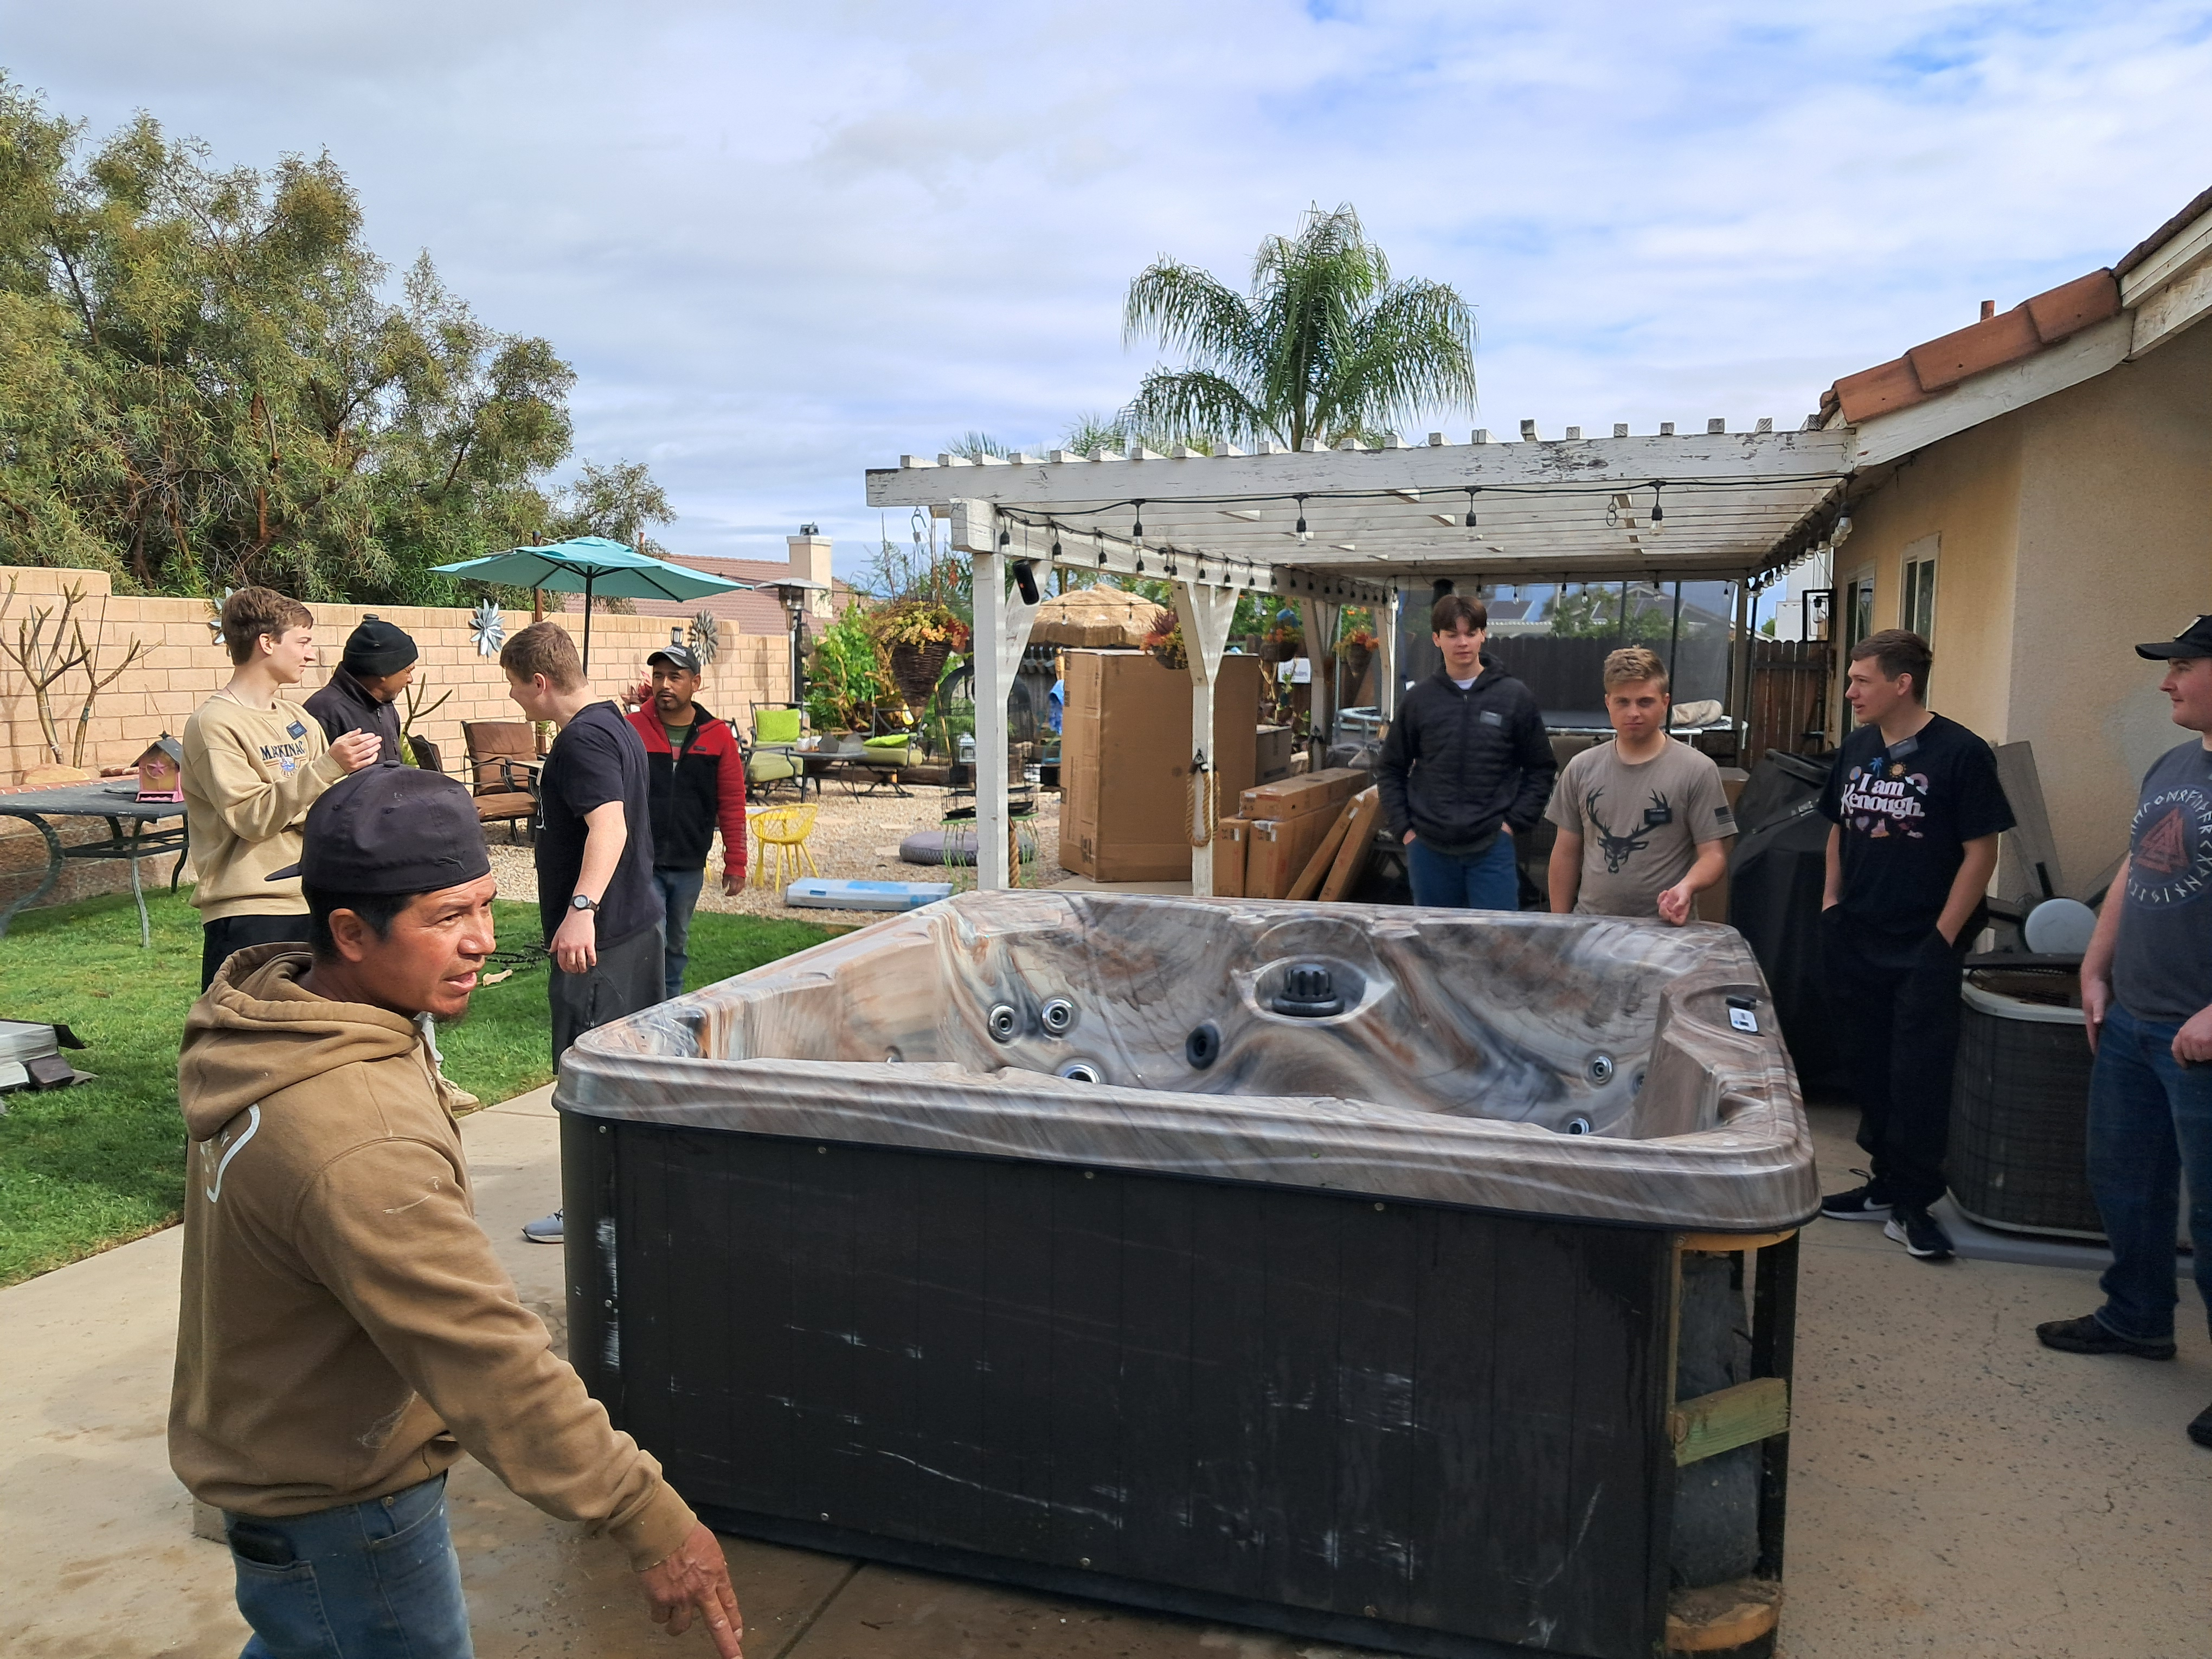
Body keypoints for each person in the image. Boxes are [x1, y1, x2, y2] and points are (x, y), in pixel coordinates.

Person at [171, 766, 743, 1658]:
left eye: (484, 906)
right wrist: (647, 1513)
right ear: (351, 932)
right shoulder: (355, 1137)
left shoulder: (282, 1023)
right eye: (447, 918)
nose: (483, 940)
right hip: (346, 1510)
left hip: (285, 1475)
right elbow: (485, 1353)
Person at [2036, 616, 2212, 1449]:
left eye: (2182, 667)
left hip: (2201, 1036)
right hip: (2136, 1019)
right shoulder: (2174, 765)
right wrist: (2096, 966)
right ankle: (2136, 1317)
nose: (2166, 683)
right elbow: (2136, 873)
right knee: (2126, 1184)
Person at [1816, 628, 2014, 1262]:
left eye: (1861, 681)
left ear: (1902, 684)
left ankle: (1915, 1201)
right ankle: (1883, 1182)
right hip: (1858, 934)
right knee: (1866, 1065)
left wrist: (1942, 937)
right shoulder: (1856, 746)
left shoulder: (1961, 753)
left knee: (1918, 1075)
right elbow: (1839, 829)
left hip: (1923, 943)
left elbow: (1982, 850)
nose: (1850, 692)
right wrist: (1831, 902)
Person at [501, 621, 663, 1246]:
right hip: (634, 928)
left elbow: (610, 828)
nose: (514, 699)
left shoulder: (583, 742)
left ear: (540, 683)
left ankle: (597, 1210)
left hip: (604, 941)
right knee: (627, 1075)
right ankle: (631, 1198)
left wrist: (580, 909)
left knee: (589, 1079)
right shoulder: (616, 723)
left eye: (516, 687)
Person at [182, 587, 381, 990]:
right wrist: (328, 768)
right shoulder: (214, 724)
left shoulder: (297, 718)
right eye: (303, 642)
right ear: (267, 643)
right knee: (246, 1039)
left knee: (309, 1034)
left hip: (313, 898)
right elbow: (250, 818)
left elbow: (328, 805)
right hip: (250, 910)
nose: (312, 655)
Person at [1376, 591, 1555, 910]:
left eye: (1471, 633)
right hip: (1427, 847)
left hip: (1492, 845)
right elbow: (1391, 768)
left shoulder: (1514, 697)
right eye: (1452, 634)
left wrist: (1512, 824)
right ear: (1436, 639)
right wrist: (1404, 829)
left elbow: (1541, 768)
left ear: (1483, 635)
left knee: (1497, 941)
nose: (1463, 642)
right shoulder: (1419, 700)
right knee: (1437, 942)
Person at [1546, 646, 1737, 921]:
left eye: (1645, 702)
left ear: (1665, 702)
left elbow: (1714, 856)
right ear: (1608, 703)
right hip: (1590, 925)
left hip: (1665, 930)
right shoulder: (1580, 768)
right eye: (1623, 702)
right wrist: (1559, 925)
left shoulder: (1698, 770)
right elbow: (1565, 853)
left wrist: (1687, 887)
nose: (1633, 712)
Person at [626, 644, 748, 1001]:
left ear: (694, 683)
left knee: (675, 943)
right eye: (659, 676)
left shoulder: (718, 736)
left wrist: (735, 861)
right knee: (652, 937)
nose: (665, 684)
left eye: (675, 677)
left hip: (689, 863)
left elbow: (732, 802)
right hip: (642, 861)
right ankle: (645, 1010)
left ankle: (668, 1008)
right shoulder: (631, 729)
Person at [304, 615, 417, 764]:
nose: (411, 680)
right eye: (408, 671)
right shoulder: (323, 713)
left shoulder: (385, 706)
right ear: (383, 670)